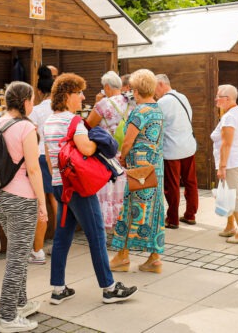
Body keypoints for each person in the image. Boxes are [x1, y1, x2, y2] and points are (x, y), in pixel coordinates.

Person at [44, 73, 137, 305]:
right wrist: (100, 138)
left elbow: (48, 157)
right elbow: (86, 150)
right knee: (96, 235)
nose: (83, 97)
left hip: (59, 185)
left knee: (62, 237)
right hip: (78, 188)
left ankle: (58, 288)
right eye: (79, 93)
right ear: (67, 96)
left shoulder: (48, 121)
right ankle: (109, 288)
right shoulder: (73, 121)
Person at [0, 82, 48, 333]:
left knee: (17, 253)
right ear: (25, 102)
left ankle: (20, 303)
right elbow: (33, 169)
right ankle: (8, 317)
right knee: (18, 260)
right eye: (31, 99)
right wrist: (42, 202)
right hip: (22, 199)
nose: (33, 103)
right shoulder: (26, 127)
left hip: (0, 198)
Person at [110, 69, 166, 273]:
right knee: (154, 212)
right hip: (155, 169)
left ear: (136, 90)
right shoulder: (158, 110)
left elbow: (127, 141)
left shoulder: (139, 112)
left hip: (138, 171)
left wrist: (123, 158)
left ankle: (122, 257)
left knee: (131, 211)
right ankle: (154, 258)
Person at [86, 71, 130, 232]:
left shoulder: (103, 104)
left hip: (107, 154)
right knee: (123, 191)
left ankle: (107, 225)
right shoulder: (129, 101)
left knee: (108, 191)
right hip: (124, 153)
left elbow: (89, 124)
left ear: (106, 86)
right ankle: (124, 225)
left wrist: (97, 102)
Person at [154, 74, 198, 226]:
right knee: (190, 182)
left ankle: (172, 219)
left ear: (161, 84)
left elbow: (157, 124)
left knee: (171, 185)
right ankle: (190, 214)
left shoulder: (162, 102)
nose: (154, 92)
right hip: (188, 146)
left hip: (171, 149)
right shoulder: (182, 97)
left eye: (155, 87)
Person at [211, 84, 238, 244]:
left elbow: (226, 143)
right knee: (227, 195)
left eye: (218, 96)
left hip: (231, 162)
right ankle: (230, 227)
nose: (216, 99)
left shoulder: (229, 117)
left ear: (227, 99)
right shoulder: (236, 112)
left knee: (235, 198)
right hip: (236, 159)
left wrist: (222, 166)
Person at [27, 66, 58, 264]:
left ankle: (37, 250)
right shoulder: (60, 109)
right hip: (56, 156)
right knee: (57, 202)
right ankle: (60, 241)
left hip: (39, 157)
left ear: (38, 92)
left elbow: (30, 135)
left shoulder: (36, 111)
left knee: (40, 205)